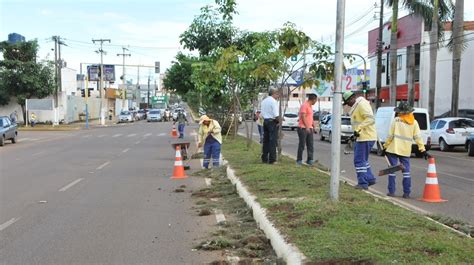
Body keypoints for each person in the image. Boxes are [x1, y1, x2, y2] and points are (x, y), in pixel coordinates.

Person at [383, 102, 428, 198]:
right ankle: (406, 193)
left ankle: (391, 192)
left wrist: (385, 146)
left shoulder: (396, 120)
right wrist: (422, 150)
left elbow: (390, 136)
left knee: (392, 172)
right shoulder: (414, 122)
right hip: (406, 151)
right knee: (406, 173)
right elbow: (418, 137)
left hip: (393, 149)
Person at [342, 91, 377, 190]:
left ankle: (362, 183)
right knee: (363, 160)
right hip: (362, 137)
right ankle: (369, 179)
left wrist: (359, 128)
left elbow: (371, 119)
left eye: (347, 102)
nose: (347, 105)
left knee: (359, 160)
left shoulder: (362, 104)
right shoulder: (356, 106)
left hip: (366, 137)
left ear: (352, 98)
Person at [260, 88, 280, 164]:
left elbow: (262, 113)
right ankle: (272, 160)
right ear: (273, 94)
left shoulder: (264, 101)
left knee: (266, 141)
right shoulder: (273, 101)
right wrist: (279, 121)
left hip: (265, 121)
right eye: (277, 94)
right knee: (273, 141)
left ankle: (264, 158)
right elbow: (276, 114)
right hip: (272, 122)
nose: (278, 96)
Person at [297, 94, 318, 166]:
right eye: (316, 100)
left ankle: (310, 159)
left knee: (310, 145)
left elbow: (310, 118)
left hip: (310, 128)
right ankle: (299, 160)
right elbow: (303, 116)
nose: (316, 102)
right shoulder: (304, 105)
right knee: (302, 145)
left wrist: (313, 126)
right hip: (303, 128)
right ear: (313, 99)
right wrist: (307, 127)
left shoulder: (310, 107)